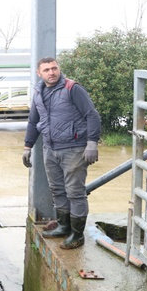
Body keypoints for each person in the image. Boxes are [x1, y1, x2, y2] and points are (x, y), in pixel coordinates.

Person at [22, 57, 100, 250]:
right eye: (46, 70)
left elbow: (92, 115)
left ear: (59, 69)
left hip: (74, 149)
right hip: (50, 149)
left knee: (75, 192)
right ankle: (64, 226)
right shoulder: (38, 93)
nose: (51, 72)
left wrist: (92, 143)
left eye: (54, 68)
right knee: (57, 189)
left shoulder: (72, 88)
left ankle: (77, 235)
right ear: (39, 73)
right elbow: (33, 121)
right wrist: (27, 146)